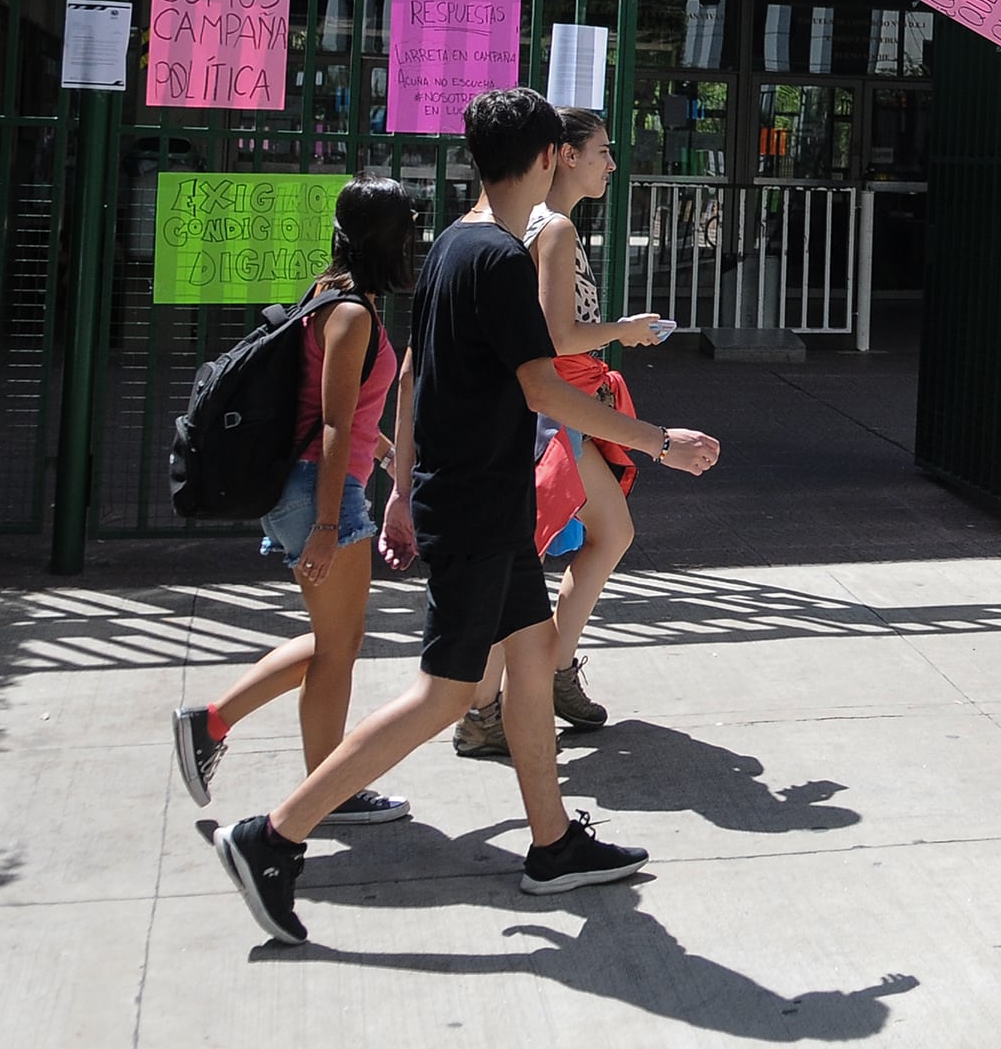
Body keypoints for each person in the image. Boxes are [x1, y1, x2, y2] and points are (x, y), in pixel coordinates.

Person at [215, 87, 721, 945]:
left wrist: (407, 485)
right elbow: (544, 385)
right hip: (481, 506)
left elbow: (422, 376)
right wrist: (659, 440)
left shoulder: (458, 241)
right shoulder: (494, 258)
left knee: (529, 664)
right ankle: (274, 835)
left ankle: (553, 844)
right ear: (550, 157)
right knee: (443, 696)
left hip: (479, 498)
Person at [170, 178, 423, 825]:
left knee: (333, 641)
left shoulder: (332, 292)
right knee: (338, 646)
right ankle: (321, 787)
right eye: (410, 231)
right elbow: (334, 424)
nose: (417, 242)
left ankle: (220, 726)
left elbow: (340, 411)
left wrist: (390, 456)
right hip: (319, 493)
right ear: (391, 242)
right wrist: (330, 523)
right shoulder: (351, 314)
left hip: (315, 486)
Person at [451, 105, 677, 758]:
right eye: (603, 150)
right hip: (552, 412)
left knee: (600, 535)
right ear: (565, 155)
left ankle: (538, 679)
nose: (612, 162)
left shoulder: (513, 222)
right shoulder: (553, 230)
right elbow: (555, 337)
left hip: (546, 409)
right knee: (522, 561)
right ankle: (492, 704)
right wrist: (624, 329)